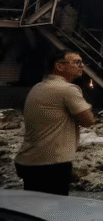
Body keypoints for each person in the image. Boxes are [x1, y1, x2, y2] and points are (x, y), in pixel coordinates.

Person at [14, 51, 95, 195]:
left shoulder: (38, 87)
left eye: (82, 63)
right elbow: (88, 120)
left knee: (33, 204)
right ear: (59, 66)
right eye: (76, 62)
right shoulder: (68, 89)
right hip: (52, 163)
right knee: (55, 205)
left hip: (29, 159)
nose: (81, 66)